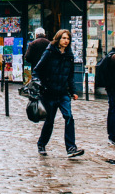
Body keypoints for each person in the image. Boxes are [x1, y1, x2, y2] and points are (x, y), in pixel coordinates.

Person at [35, 28, 83, 158]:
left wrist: (73, 91)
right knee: (49, 120)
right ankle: (41, 144)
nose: (66, 41)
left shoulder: (69, 55)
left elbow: (70, 76)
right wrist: (40, 84)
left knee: (69, 117)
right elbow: (37, 70)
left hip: (63, 93)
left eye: (68, 39)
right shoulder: (49, 52)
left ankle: (71, 147)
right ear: (58, 38)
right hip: (49, 92)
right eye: (64, 38)